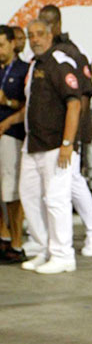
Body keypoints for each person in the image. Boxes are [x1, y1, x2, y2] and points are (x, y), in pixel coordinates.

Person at [38, 5, 92, 257]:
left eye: (46, 24)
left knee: (74, 181)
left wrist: (73, 135)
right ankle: (80, 233)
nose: (41, 30)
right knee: (67, 183)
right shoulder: (45, 54)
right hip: (51, 133)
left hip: (70, 132)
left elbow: (83, 95)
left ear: (55, 25)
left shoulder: (70, 52)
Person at [17, 19, 81, 273]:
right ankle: (44, 248)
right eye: (30, 35)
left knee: (56, 201)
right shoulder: (35, 64)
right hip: (32, 143)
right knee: (30, 197)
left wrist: (67, 143)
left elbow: (74, 104)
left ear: (51, 34)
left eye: (40, 34)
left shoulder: (59, 62)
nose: (35, 39)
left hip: (56, 144)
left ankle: (63, 255)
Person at [0, 25, 29, 264]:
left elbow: (29, 107)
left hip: (10, 135)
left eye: (1, 45)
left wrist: (7, 103)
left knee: (11, 191)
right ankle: (3, 236)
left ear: (12, 44)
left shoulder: (23, 70)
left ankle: (17, 242)